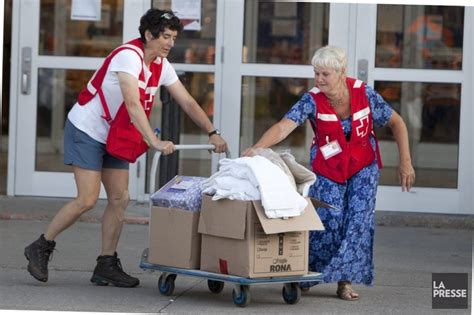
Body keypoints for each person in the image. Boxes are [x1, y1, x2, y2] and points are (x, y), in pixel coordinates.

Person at [24, 8, 228, 288]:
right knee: (87, 199)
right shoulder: (127, 57)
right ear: (148, 35)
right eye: (165, 37)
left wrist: (212, 132)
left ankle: (106, 263)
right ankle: (41, 245)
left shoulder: (160, 64)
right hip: (88, 129)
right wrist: (153, 141)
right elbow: (133, 104)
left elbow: (188, 101)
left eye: (173, 38)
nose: (170, 43)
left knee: (120, 198)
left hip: (116, 134)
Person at [243, 46, 415, 301]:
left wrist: (406, 162)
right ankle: (309, 275)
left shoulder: (363, 92)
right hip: (329, 167)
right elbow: (283, 126)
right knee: (328, 221)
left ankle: (344, 282)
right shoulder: (312, 99)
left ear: (341, 72)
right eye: (316, 73)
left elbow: (396, 122)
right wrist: (258, 147)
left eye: (325, 74)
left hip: (362, 167)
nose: (320, 79)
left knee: (357, 223)